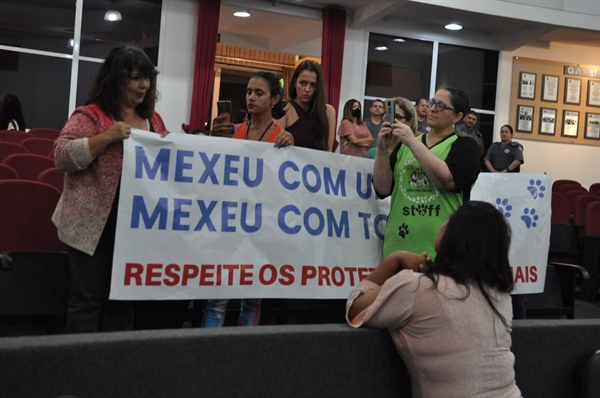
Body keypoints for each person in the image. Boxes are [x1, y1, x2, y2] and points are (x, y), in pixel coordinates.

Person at [347, 201, 521, 398]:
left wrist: (394, 260)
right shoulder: (500, 295)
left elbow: (354, 307)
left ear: (454, 236)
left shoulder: (415, 287)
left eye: (449, 220)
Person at [52, 46, 169, 333]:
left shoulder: (153, 120)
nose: (144, 85)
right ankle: (80, 372)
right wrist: (106, 137)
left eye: (148, 78)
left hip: (134, 229)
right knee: (87, 303)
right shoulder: (91, 116)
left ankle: (116, 371)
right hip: (93, 229)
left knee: (123, 303)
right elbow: (62, 156)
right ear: (116, 79)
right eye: (136, 78)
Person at [205, 71, 294, 327]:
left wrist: (293, 143)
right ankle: (204, 356)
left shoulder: (281, 137)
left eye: (259, 93)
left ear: (275, 99)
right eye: (248, 92)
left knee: (252, 299)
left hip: (261, 226)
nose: (251, 97)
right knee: (217, 296)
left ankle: (245, 358)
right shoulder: (233, 131)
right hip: (229, 221)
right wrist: (212, 141)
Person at [373, 87, 480, 259]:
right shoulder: (405, 145)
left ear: (457, 117)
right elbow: (382, 188)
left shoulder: (466, 147)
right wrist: (382, 150)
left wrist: (412, 142)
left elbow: (445, 180)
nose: (433, 109)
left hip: (439, 250)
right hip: (397, 246)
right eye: (432, 103)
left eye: (441, 105)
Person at [275, 59, 337, 151]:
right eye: (303, 83)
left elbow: (328, 153)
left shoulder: (328, 112)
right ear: (295, 82)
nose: (307, 89)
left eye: (313, 85)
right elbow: (275, 149)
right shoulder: (284, 109)